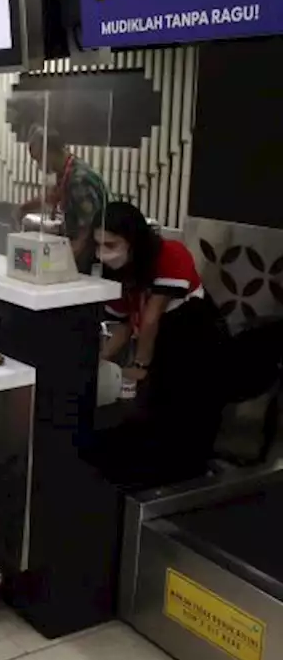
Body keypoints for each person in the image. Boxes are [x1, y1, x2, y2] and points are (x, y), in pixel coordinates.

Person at [93, 202, 226, 484]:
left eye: (110, 244)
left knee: (186, 418)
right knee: (154, 422)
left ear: (134, 240)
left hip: (196, 344)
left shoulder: (170, 254)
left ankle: (189, 479)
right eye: (98, 245)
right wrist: (100, 360)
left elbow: (151, 317)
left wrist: (140, 365)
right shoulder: (122, 273)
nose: (103, 253)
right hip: (162, 346)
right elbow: (125, 324)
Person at [20, 125, 113, 274]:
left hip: (91, 259)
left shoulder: (78, 180)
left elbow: (89, 231)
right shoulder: (66, 172)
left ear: (50, 152)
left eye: (39, 159)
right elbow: (52, 196)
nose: (39, 167)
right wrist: (25, 207)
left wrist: (58, 265)